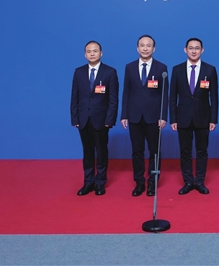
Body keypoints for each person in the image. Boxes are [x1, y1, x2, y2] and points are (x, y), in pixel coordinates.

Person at [169, 38, 219, 195]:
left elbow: (214, 97)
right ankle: (188, 181)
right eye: (191, 48)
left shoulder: (210, 70)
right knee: (185, 152)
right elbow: (172, 97)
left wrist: (213, 119)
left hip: (203, 117)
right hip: (182, 117)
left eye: (197, 48)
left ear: (202, 50)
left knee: (202, 151)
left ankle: (200, 181)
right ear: (185, 50)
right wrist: (173, 119)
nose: (194, 51)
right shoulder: (177, 70)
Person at [121, 35, 168, 197]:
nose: (145, 48)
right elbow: (126, 92)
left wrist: (163, 116)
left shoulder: (161, 68)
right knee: (137, 151)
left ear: (154, 49)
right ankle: (139, 182)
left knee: (154, 151)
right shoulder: (129, 67)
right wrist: (124, 115)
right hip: (134, 116)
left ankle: (152, 182)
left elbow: (164, 94)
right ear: (137, 48)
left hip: (154, 117)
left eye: (149, 46)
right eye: (142, 45)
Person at [70, 41, 119, 196]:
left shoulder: (110, 72)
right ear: (85, 54)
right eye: (89, 51)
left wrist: (110, 119)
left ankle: (100, 182)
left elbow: (113, 99)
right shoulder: (78, 72)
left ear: (101, 53)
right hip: (83, 118)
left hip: (101, 119)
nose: (92, 54)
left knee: (101, 151)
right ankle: (88, 182)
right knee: (87, 151)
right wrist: (74, 117)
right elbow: (74, 97)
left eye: (95, 51)